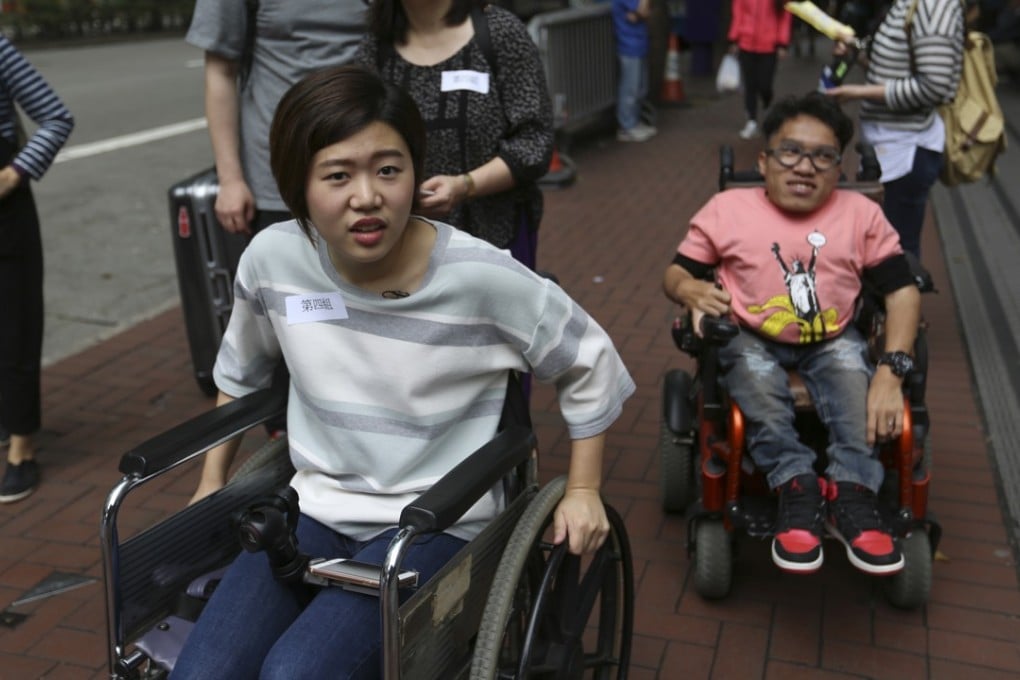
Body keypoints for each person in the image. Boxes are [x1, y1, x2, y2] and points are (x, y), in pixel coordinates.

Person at [171, 65, 635, 678]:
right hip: (314, 510)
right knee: (203, 670)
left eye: (389, 170)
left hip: (433, 525)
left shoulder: (480, 277)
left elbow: (589, 360)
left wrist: (582, 490)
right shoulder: (274, 258)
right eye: (338, 176)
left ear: (415, 172)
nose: (368, 196)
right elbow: (241, 366)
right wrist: (213, 481)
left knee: (295, 672)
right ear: (297, 184)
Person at [662, 92, 920, 576]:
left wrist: (892, 371)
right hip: (750, 334)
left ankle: (852, 492)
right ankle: (796, 483)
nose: (805, 166)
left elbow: (903, 291)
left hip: (833, 336)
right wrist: (692, 290)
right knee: (754, 378)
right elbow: (674, 273)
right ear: (764, 160)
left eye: (823, 156)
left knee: (851, 377)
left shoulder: (860, 216)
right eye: (790, 151)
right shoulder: (728, 208)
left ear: (838, 167)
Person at [185, 0, 366, 433]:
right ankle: (284, 441)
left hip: (360, 170)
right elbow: (220, 71)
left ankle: (357, 431)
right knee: (293, 319)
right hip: (277, 176)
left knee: (362, 311)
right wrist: (231, 178)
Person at [356, 0, 553, 272]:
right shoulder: (376, 45)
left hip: (493, 234)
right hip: (404, 240)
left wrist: (465, 185)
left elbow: (534, 143)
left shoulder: (499, 32)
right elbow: (361, 140)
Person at [825, 0, 964, 259]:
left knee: (896, 254)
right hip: (888, 145)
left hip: (906, 150)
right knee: (881, 248)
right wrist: (858, 55)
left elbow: (934, 86)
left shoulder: (934, 6)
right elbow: (895, 70)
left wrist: (857, 92)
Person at [0, 36, 74, 504]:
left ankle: (22, 446)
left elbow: (56, 116)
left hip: (5, 209)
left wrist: (14, 172)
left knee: (15, 325)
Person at [727, 0, 793, 139]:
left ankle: (766, 102)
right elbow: (738, 14)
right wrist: (734, 39)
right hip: (746, 44)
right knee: (750, 85)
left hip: (769, 46)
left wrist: (782, 43)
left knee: (765, 84)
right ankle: (751, 121)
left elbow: (785, 18)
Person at [612, 0, 658, 142]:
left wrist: (640, 13)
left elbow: (643, 13)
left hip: (639, 44)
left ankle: (634, 122)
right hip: (629, 46)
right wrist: (641, 12)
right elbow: (643, 11)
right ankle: (627, 126)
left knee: (639, 87)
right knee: (630, 88)